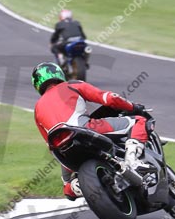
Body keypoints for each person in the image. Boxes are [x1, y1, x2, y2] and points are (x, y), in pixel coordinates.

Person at [32, 62, 150, 201]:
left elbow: (49, 144)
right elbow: (110, 98)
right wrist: (132, 107)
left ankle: (76, 186)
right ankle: (133, 162)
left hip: (62, 150)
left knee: (68, 189)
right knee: (139, 121)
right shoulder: (72, 85)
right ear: (58, 73)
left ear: (37, 84)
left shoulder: (37, 109)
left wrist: (67, 179)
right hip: (85, 129)